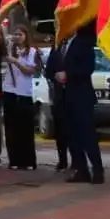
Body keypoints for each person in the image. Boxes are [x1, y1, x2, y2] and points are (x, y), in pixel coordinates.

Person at [58, 25, 104, 184]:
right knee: (72, 136)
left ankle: (97, 169)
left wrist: (68, 74)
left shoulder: (83, 43)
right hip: (66, 95)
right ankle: (81, 169)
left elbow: (87, 68)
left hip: (81, 96)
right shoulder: (62, 44)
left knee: (87, 134)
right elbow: (53, 65)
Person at [1, 25, 40, 171]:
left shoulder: (32, 52)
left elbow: (30, 71)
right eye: (15, 34)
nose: (17, 37)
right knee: (12, 128)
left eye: (20, 34)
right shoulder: (10, 50)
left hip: (24, 93)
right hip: (10, 91)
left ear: (26, 36)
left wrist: (16, 62)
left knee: (25, 129)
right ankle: (14, 160)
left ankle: (28, 160)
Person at [42, 39, 70, 171]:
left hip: (74, 95)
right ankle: (62, 160)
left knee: (75, 131)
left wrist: (68, 75)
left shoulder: (78, 44)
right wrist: (55, 76)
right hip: (58, 97)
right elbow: (48, 71)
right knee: (60, 131)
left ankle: (78, 162)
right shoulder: (56, 49)